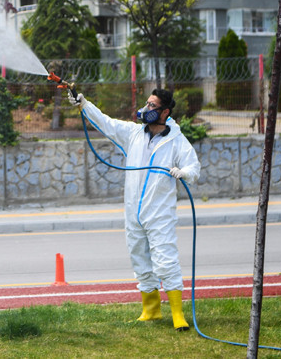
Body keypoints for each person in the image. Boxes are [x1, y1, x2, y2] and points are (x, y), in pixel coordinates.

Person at [67, 88, 200, 331]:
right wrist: (84, 105)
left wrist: (184, 173)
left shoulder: (176, 140)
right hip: (134, 211)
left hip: (160, 212)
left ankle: (178, 315)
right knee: (140, 259)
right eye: (147, 104)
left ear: (165, 112)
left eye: (152, 106)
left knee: (165, 259)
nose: (146, 109)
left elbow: (193, 166)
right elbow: (107, 123)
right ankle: (151, 310)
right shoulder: (134, 134)